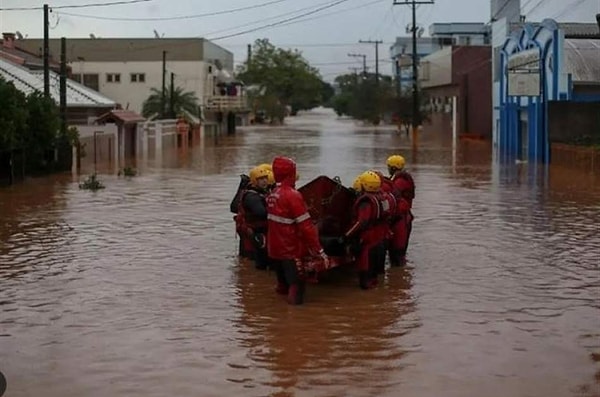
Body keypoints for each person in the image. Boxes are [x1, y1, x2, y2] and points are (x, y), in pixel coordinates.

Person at [266, 156, 329, 305]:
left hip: (274, 249)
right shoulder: (293, 196)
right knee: (297, 287)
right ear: (291, 173)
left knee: (282, 285)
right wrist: (319, 251)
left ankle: (275, 319)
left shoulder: (272, 194)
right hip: (291, 250)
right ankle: (294, 322)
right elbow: (306, 227)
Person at [343, 171, 388, 290]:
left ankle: (368, 299)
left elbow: (362, 222)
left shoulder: (366, 202)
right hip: (378, 237)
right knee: (374, 275)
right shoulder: (382, 197)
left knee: (365, 274)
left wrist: (346, 236)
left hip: (368, 238)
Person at [235, 165, 271, 269]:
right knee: (260, 262)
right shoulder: (252, 197)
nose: (264, 181)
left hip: (257, 231)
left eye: (265, 178)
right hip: (256, 233)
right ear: (255, 181)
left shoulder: (261, 193)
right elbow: (261, 213)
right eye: (260, 179)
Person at [386, 155, 416, 266]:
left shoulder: (400, 181)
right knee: (397, 253)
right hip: (402, 218)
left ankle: (399, 279)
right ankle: (400, 278)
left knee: (397, 253)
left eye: (389, 166)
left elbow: (393, 195)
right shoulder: (401, 178)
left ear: (393, 167)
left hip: (401, 219)